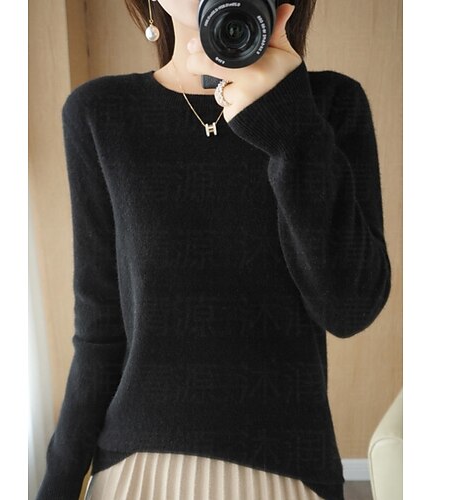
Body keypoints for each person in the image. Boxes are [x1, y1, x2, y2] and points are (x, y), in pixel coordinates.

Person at [35, 0, 392, 499]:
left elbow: (349, 307)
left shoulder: (330, 104)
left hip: (289, 467)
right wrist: (56, 486)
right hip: (136, 470)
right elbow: (99, 334)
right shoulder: (99, 112)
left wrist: (290, 130)